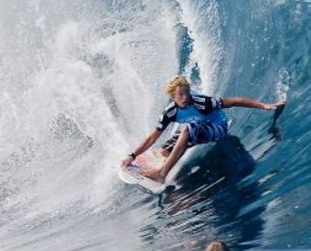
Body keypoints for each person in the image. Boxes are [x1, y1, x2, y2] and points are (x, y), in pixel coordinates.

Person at [121, 76, 285, 183]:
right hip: (196, 125)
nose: (185, 98)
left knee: (187, 129)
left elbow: (234, 101)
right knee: (163, 149)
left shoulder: (201, 102)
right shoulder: (170, 112)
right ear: (173, 96)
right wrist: (133, 155)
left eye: (187, 93)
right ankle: (166, 157)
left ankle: (162, 172)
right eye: (181, 95)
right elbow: (152, 137)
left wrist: (264, 105)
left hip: (217, 127)